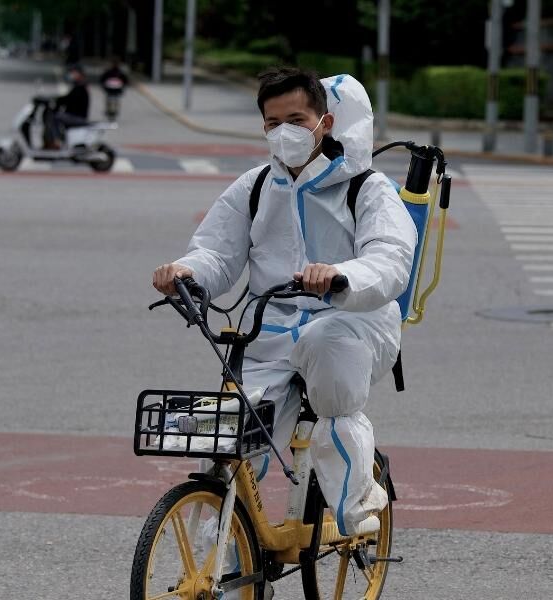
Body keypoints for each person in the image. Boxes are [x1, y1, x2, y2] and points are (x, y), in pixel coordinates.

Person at [152, 68, 417, 537]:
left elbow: (391, 257)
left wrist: (341, 274)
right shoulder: (255, 187)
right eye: (273, 123)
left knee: (327, 351)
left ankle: (358, 500)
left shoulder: (366, 188)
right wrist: (187, 273)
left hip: (353, 324)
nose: (284, 133)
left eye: (296, 119)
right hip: (270, 336)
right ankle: (227, 572)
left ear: (326, 123)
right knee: (227, 443)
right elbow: (217, 251)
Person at [46, 65, 90, 149]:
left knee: (56, 117)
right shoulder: (80, 85)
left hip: (78, 117)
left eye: (74, 73)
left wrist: (57, 101)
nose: (71, 75)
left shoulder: (80, 86)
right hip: (76, 115)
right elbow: (68, 99)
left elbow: (69, 100)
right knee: (59, 116)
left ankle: (57, 141)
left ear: (79, 74)